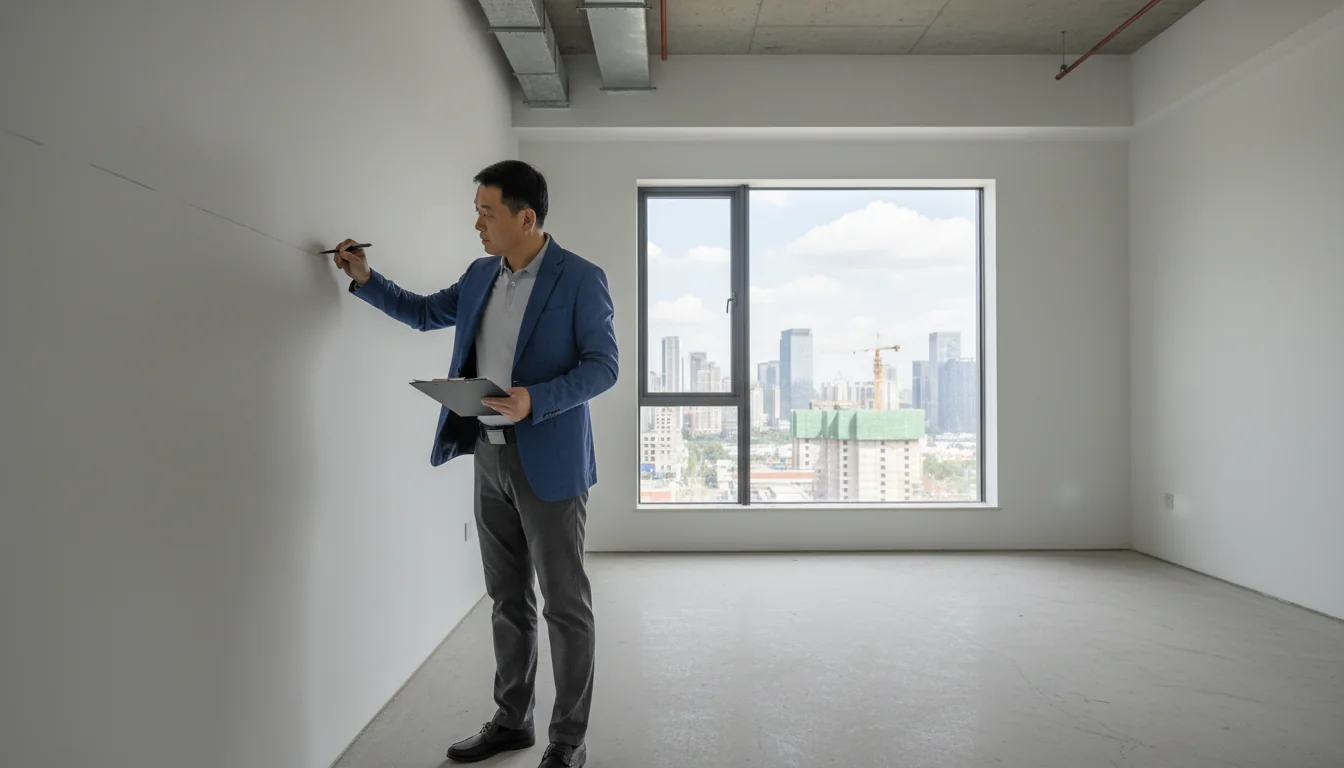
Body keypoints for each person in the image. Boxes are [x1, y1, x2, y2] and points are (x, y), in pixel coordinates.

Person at [329, 160, 616, 768]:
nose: (477, 224)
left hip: (551, 462)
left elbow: (603, 366)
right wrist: (364, 277)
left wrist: (533, 399)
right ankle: (512, 721)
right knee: (507, 597)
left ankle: (568, 741)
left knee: (565, 604)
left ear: (526, 217)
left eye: (487, 212)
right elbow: (425, 312)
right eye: (478, 211)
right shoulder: (481, 274)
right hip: (488, 457)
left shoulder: (581, 279)